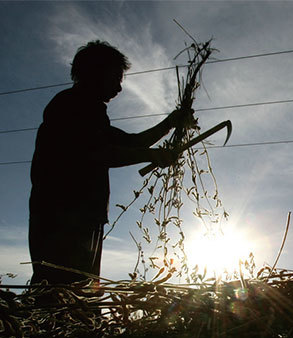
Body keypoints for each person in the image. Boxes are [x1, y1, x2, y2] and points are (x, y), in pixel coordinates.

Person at [29, 40, 193, 286]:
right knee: (61, 288)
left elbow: (132, 142)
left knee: (79, 290)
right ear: (95, 72)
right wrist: (152, 155)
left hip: (83, 216)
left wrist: (170, 123)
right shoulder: (70, 106)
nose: (118, 88)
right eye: (115, 78)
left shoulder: (91, 112)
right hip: (63, 217)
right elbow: (94, 153)